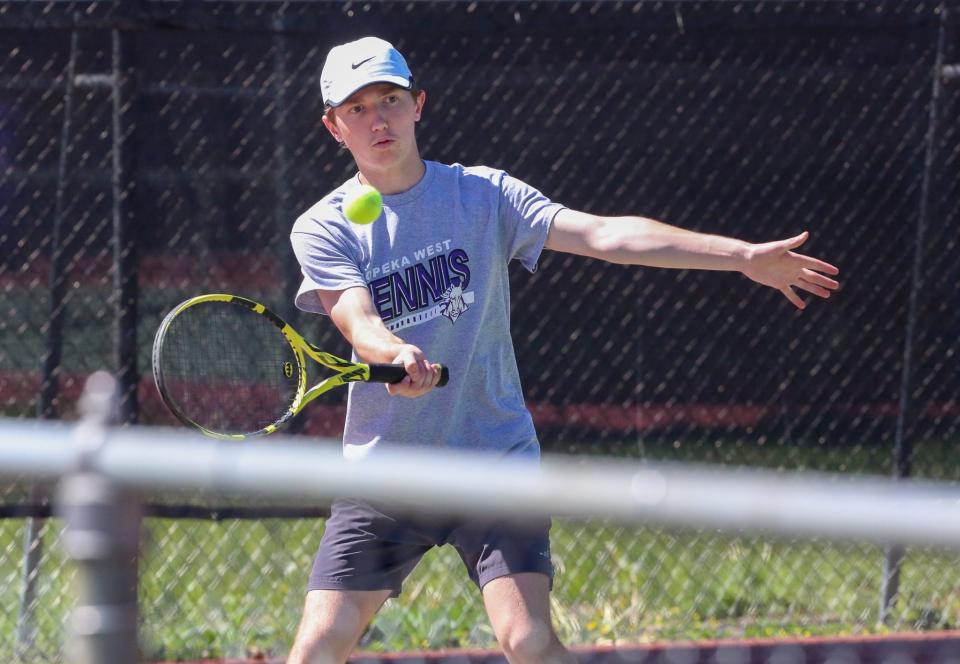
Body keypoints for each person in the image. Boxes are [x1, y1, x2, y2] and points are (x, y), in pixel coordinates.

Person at [287, 36, 840, 664]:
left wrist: (740, 258)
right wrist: (395, 353)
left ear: (419, 104)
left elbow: (606, 234)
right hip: (387, 474)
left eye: (389, 99)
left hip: (493, 461)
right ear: (334, 126)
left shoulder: (484, 195)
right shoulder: (322, 225)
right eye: (356, 109)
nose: (377, 119)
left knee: (527, 641)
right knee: (316, 650)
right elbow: (357, 321)